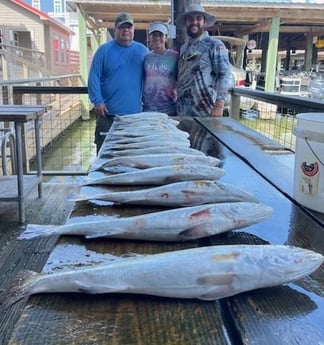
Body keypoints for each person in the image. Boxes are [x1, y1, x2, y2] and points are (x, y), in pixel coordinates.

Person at [88, 13, 149, 153]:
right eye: (122, 27)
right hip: (108, 116)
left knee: (133, 155)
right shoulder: (103, 50)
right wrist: (97, 101)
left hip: (135, 117)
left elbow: (153, 76)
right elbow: (93, 77)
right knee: (105, 154)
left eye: (129, 27)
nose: (126, 30)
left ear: (133, 30)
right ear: (115, 30)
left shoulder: (143, 51)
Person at [176, 4, 231, 117]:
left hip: (206, 112)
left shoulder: (214, 45)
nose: (194, 22)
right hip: (182, 112)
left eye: (198, 18)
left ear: (204, 22)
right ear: (186, 22)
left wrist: (219, 104)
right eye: (190, 19)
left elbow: (224, 74)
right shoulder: (184, 48)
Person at [143, 22, 179, 116]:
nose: (157, 38)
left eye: (160, 35)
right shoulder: (146, 57)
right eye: (154, 35)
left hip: (169, 110)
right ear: (150, 37)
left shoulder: (174, 56)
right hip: (148, 110)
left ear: (166, 37)